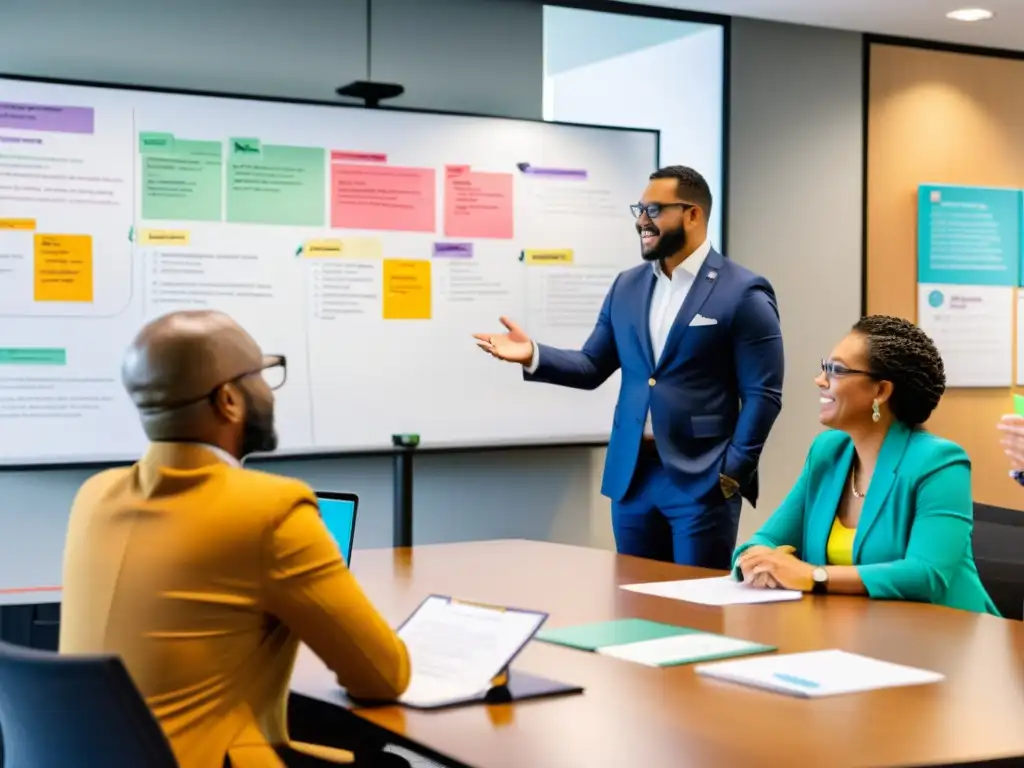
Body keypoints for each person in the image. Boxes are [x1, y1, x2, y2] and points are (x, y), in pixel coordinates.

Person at [59, 310, 412, 768]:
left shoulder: (95, 495)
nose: (269, 390)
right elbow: (382, 677)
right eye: (263, 375)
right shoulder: (271, 509)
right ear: (229, 399)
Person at [474, 165, 784, 569]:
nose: (641, 220)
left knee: (697, 611)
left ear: (692, 214)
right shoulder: (627, 285)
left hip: (702, 478)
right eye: (639, 209)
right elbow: (591, 365)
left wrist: (733, 471)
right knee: (635, 606)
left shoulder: (742, 291)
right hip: (632, 476)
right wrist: (533, 353)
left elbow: (764, 394)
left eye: (654, 209)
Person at [733, 315, 999, 615]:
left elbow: (927, 575)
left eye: (836, 370)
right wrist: (756, 559)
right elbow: (767, 539)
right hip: (854, 630)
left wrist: (813, 576)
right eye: (825, 367)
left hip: (946, 639)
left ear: (881, 391)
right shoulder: (827, 452)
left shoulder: (939, 462)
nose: (820, 380)